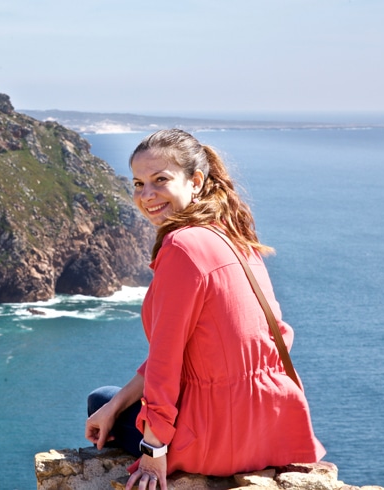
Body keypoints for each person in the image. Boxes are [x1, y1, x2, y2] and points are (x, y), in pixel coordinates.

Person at [85, 129, 325, 490]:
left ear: (195, 181)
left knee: (98, 400)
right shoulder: (234, 236)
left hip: (218, 439)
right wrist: (119, 403)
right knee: (112, 401)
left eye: (160, 180)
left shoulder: (181, 247)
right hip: (272, 429)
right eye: (138, 183)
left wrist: (153, 451)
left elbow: (166, 361)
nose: (147, 195)